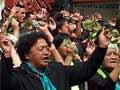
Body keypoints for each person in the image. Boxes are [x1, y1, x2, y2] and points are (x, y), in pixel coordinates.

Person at [1, 28, 111, 90]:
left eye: (47, 48)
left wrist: (101, 47)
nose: (46, 52)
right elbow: (4, 83)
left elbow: (87, 70)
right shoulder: (19, 77)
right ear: (26, 54)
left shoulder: (57, 70)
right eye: (41, 48)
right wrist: (6, 54)